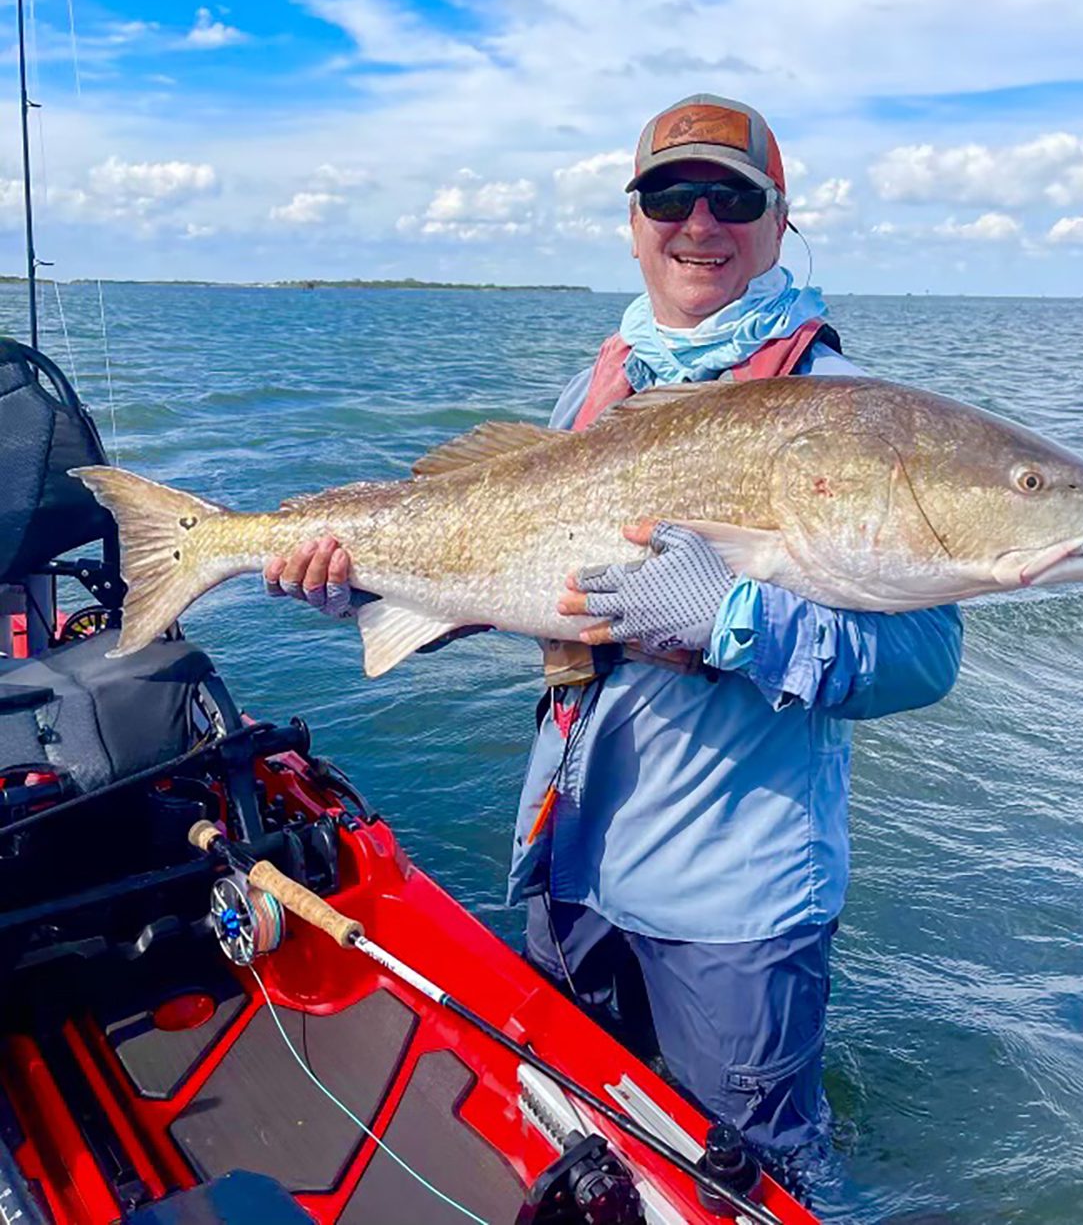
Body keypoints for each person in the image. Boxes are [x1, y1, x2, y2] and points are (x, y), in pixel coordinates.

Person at [265, 95, 963, 1193]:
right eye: (667, 195)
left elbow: (927, 660)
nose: (699, 221)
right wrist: (365, 590)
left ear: (781, 222)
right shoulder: (596, 392)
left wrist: (737, 620)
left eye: (732, 196)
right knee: (587, 1161)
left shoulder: (844, 411)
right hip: (569, 866)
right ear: (632, 221)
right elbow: (510, 581)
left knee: (753, 1187)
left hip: (733, 907)